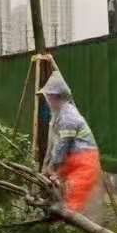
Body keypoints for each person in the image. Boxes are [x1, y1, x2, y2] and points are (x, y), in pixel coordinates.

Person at [38, 70, 101, 213]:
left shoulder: (67, 117)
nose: (47, 101)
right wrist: (52, 169)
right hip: (75, 160)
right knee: (64, 193)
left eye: (48, 97)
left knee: (73, 204)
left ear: (55, 97)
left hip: (84, 162)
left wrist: (52, 168)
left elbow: (62, 146)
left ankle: (72, 225)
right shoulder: (59, 115)